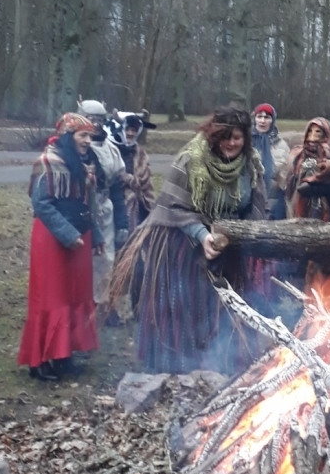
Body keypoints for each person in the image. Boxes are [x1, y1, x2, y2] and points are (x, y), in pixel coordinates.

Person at [114, 106, 267, 374]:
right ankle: (179, 367)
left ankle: (221, 364)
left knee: (223, 305)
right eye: (225, 136)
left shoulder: (251, 164)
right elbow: (174, 206)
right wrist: (203, 235)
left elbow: (255, 205)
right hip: (184, 244)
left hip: (229, 243)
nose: (231, 143)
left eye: (238, 137)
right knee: (187, 304)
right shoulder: (191, 159)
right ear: (214, 134)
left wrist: (243, 236)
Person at [18, 114, 104, 382]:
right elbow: (41, 204)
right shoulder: (47, 162)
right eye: (83, 136)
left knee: (73, 296)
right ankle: (38, 362)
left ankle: (64, 356)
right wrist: (67, 234)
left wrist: (97, 236)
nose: (88, 142)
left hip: (80, 236)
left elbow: (88, 204)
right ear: (69, 136)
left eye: (90, 137)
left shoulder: (84, 164)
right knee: (51, 297)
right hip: (52, 239)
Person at [77, 100, 128, 308]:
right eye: (91, 119)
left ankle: (103, 305)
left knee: (105, 258)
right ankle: (81, 304)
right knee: (81, 259)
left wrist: (122, 221)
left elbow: (116, 187)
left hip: (104, 208)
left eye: (99, 120)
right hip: (80, 209)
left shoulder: (112, 150)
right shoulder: (77, 147)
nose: (95, 124)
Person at [282, 117, 330, 222]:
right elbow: (287, 182)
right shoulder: (298, 153)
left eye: (318, 131)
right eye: (310, 131)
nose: (313, 135)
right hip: (301, 206)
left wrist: (328, 182)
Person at [110, 112, 156, 233]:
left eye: (134, 130)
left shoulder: (140, 153)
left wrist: (132, 181)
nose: (130, 133)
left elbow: (146, 181)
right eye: (128, 129)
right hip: (116, 204)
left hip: (139, 204)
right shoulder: (111, 150)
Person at [251, 104, 290, 219]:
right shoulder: (245, 141)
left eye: (267, 117)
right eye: (259, 116)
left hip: (273, 201)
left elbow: (285, 175)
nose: (262, 121)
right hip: (249, 201)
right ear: (254, 119)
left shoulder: (282, 146)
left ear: (272, 120)